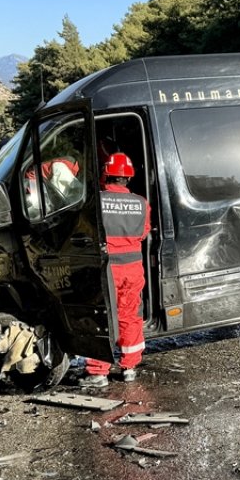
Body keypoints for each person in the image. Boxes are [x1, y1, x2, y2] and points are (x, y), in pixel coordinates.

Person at [80, 152, 150, 386]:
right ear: (128, 178)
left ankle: (98, 372)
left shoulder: (96, 201)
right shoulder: (141, 203)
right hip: (132, 269)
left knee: (102, 317)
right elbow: (143, 233)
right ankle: (129, 366)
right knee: (130, 315)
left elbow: (86, 232)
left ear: (105, 175)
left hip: (107, 270)